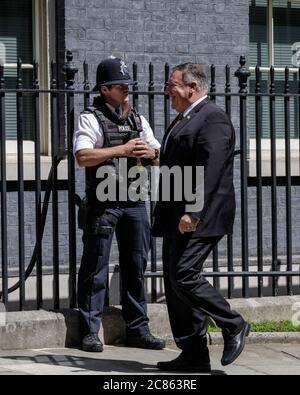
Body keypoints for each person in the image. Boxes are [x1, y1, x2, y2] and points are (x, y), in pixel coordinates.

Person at [152, 63, 250, 372]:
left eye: (173, 84)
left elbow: (211, 170)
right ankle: (193, 352)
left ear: (192, 87)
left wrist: (194, 211)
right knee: (175, 282)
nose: (168, 89)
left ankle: (233, 324)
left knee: (184, 274)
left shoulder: (213, 118)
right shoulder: (184, 118)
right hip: (176, 215)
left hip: (201, 215)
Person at [73, 57, 165, 352]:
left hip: (136, 201)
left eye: (128, 85)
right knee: (95, 267)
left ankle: (138, 329)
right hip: (104, 203)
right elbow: (82, 156)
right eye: (121, 85)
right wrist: (123, 149)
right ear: (105, 89)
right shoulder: (90, 117)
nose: (127, 89)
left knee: (137, 266)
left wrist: (148, 152)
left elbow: (161, 156)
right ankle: (90, 331)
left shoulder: (138, 119)